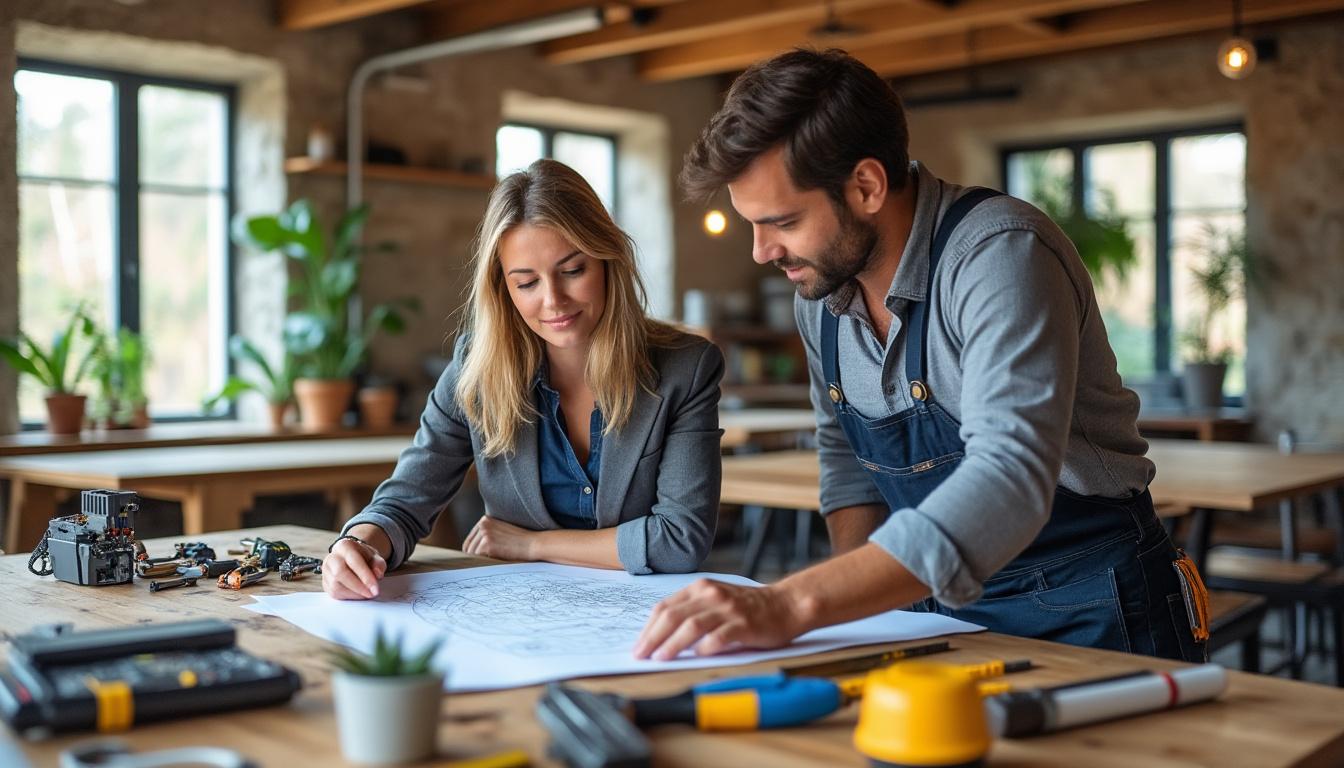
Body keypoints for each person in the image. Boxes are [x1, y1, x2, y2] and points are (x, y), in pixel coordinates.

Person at [634, 48, 1207, 662]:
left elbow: (1009, 477)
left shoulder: (1000, 254)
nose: (761, 252)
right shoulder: (819, 296)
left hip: (1094, 606)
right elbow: (847, 462)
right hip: (926, 610)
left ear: (866, 186)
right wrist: (862, 612)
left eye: (783, 222)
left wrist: (793, 603)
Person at [324, 159, 724, 600]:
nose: (553, 300)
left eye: (572, 271)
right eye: (527, 282)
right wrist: (358, 543)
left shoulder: (686, 368)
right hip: (518, 612)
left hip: (646, 615)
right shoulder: (476, 368)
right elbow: (404, 501)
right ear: (504, 290)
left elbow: (681, 539)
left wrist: (532, 544)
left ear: (608, 261)